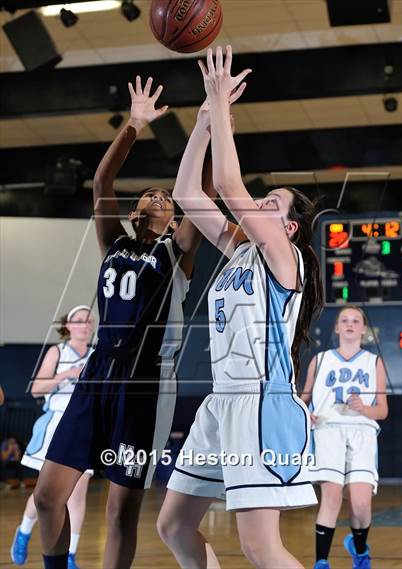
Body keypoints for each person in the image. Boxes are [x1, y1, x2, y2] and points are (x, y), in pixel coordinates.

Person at [33, 75, 219, 569]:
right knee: (49, 495)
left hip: (145, 385)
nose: (158, 196)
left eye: (166, 196)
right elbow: (101, 182)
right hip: (97, 376)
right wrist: (135, 125)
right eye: (151, 193)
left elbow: (198, 191)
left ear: (175, 217)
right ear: (136, 211)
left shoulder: (177, 252)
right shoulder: (114, 242)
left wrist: (210, 122)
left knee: (120, 511)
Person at [157, 45, 324, 569]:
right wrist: (205, 121)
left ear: (290, 227)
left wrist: (221, 108)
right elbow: (188, 192)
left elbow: (228, 185)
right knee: (174, 526)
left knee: (259, 546)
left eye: (270, 203)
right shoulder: (241, 250)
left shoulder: (284, 257)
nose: (258, 205)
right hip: (221, 401)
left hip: (260, 404)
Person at [301, 305, 388, 569]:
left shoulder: (374, 362)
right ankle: (321, 562)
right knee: (332, 496)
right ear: (337, 328)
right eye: (344, 320)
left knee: (361, 504)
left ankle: (359, 548)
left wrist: (365, 408)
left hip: (362, 431)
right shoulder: (320, 360)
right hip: (328, 430)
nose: (350, 324)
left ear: (363, 329)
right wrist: (306, 414)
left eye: (356, 320)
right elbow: (304, 400)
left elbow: (382, 411)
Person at [11, 306, 95, 569]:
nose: (84, 324)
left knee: (77, 495)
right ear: (68, 326)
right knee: (45, 493)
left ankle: (70, 555)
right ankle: (24, 531)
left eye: (88, 320)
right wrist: (66, 375)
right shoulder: (57, 352)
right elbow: (36, 388)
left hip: (84, 424)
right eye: (78, 321)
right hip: (56, 423)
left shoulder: (96, 356)